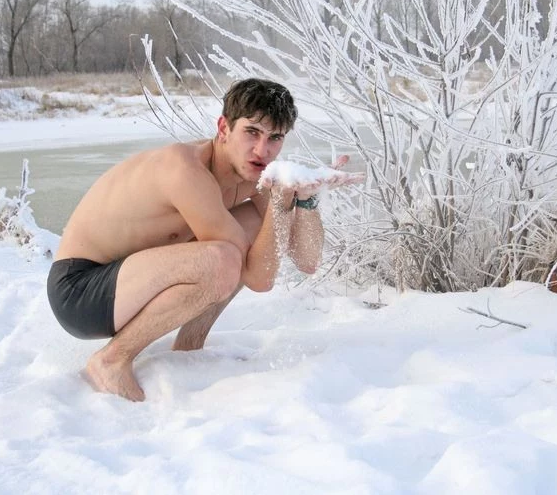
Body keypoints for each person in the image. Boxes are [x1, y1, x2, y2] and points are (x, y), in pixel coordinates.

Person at [47, 78, 359, 402]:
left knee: (254, 227)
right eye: (251, 132)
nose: (261, 150)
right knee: (223, 259)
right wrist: (282, 201)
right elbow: (258, 278)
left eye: (274, 138)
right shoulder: (185, 171)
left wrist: (306, 200)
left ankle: (189, 346)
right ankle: (111, 360)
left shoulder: (255, 177)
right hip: (80, 291)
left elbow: (307, 260)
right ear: (224, 127)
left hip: (130, 284)